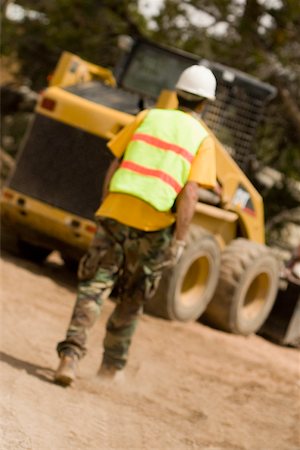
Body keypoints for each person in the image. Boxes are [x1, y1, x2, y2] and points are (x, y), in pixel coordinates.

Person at [54, 65, 218, 386]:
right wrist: (180, 240)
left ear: (178, 92)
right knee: (133, 296)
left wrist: (106, 207)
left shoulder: (147, 118)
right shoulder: (202, 138)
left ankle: (69, 358)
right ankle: (110, 370)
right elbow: (190, 193)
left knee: (93, 286)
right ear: (205, 103)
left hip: (115, 212)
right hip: (153, 226)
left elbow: (115, 164)